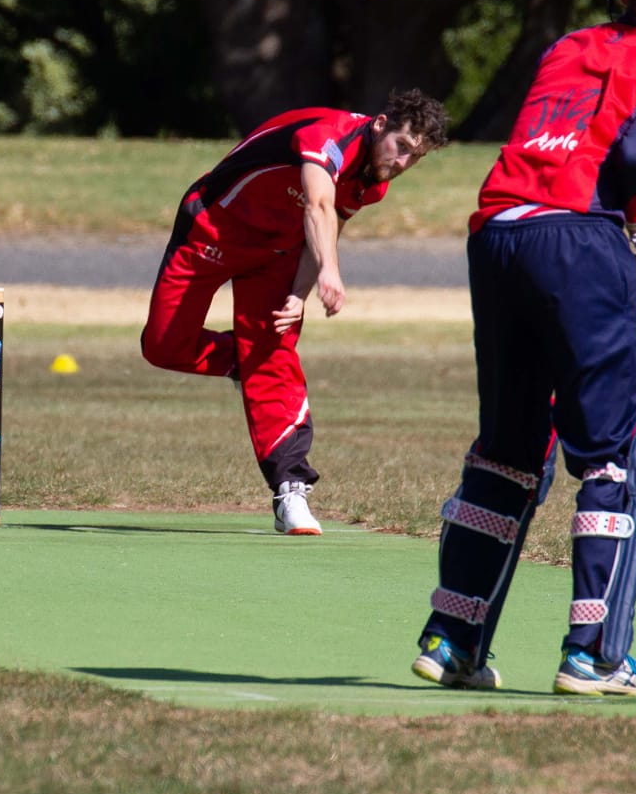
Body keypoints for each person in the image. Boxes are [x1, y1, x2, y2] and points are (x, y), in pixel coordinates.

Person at [411, 0, 636, 694]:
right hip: (578, 241)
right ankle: (593, 655)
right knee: (613, 452)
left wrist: (620, 247)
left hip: (500, 234)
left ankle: (452, 640)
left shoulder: (562, 46)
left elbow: (566, 151)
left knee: (508, 450)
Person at [141, 89, 450, 534]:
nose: (402, 163)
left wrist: (300, 292)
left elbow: (330, 224)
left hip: (277, 254)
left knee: (272, 353)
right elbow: (319, 204)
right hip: (213, 228)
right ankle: (243, 358)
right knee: (163, 346)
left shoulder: (372, 183)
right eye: (401, 147)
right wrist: (330, 272)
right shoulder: (327, 137)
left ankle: (291, 490)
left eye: (415, 158)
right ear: (381, 123)